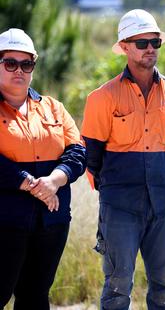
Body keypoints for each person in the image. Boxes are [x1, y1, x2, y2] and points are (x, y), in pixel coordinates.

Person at [81, 9, 165, 310]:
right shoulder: (102, 98)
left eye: (155, 42)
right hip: (119, 207)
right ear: (125, 47)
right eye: (142, 42)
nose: (150, 49)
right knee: (117, 289)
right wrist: (116, 189)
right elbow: (92, 156)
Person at [0, 28, 86, 309]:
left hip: (52, 221)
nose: (19, 70)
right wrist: (28, 183)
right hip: (5, 223)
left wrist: (54, 181)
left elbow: (77, 151)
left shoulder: (53, 108)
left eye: (27, 64)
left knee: (35, 296)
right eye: (10, 63)